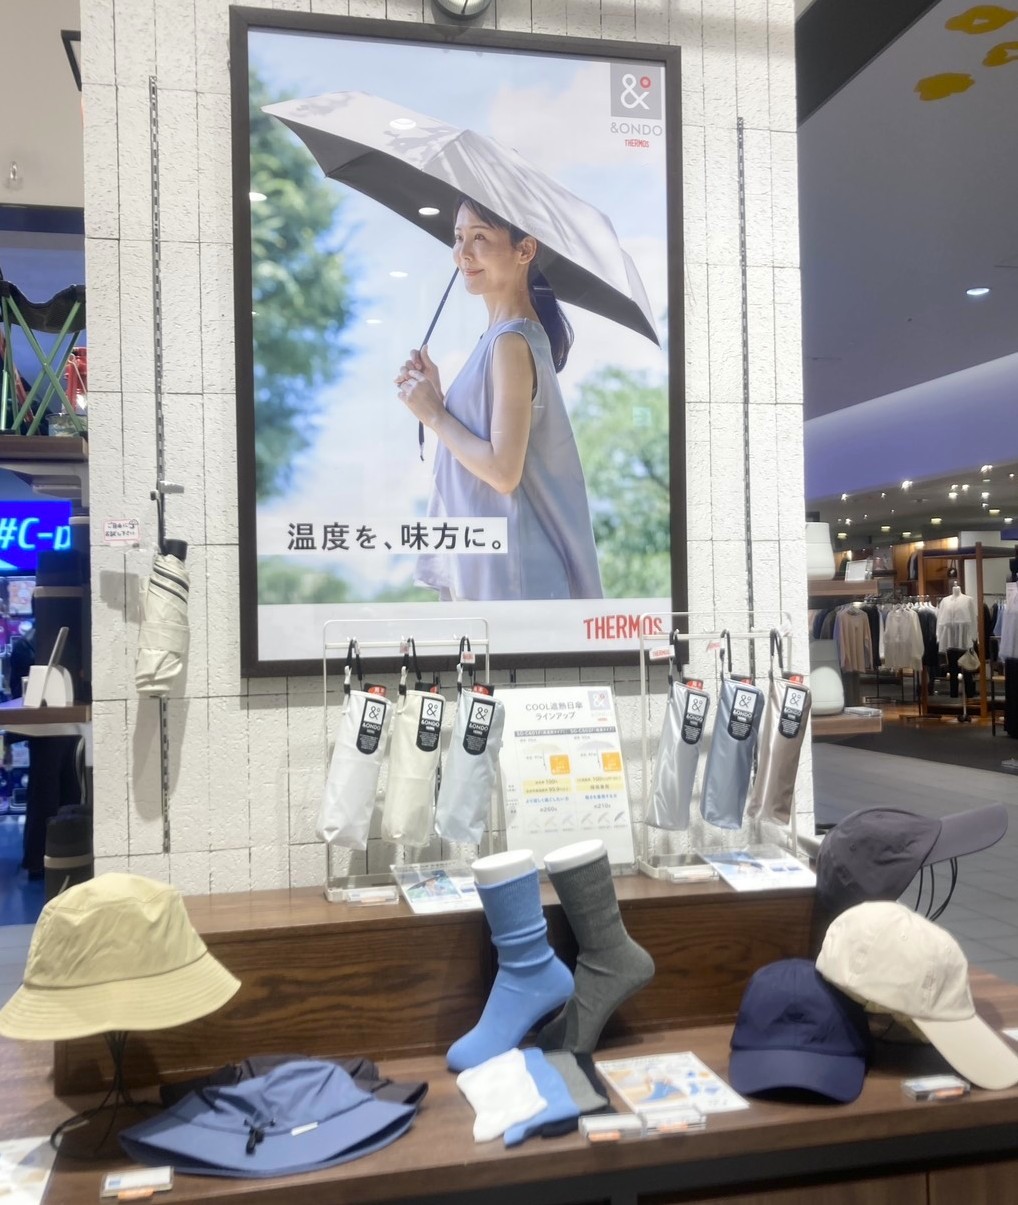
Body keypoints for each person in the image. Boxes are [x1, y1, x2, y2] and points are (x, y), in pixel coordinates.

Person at [395, 197, 603, 602]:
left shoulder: (511, 341)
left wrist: (435, 415)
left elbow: (503, 471)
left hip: (512, 577)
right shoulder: (498, 339)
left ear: (525, 250)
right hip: (498, 569)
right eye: (458, 237)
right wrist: (437, 398)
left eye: (480, 237)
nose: (463, 253)